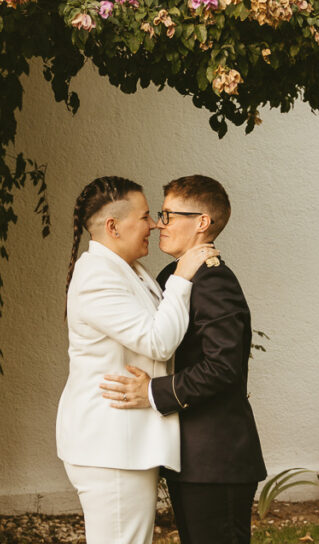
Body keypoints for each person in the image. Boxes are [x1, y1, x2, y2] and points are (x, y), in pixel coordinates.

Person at [101, 174, 266, 544]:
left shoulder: (214, 280)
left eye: (170, 215)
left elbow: (222, 366)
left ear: (202, 222)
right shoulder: (175, 274)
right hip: (193, 458)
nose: (160, 223)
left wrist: (153, 392)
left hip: (217, 459)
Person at [57, 176, 219, 544]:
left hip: (124, 444)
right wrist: (182, 277)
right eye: (146, 217)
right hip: (111, 446)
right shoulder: (97, 276)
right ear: (113, 226)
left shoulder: (128, 270)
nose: (156, 224)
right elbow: (158, 342)